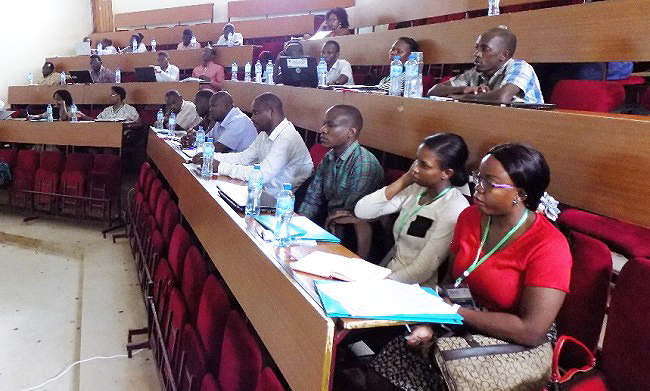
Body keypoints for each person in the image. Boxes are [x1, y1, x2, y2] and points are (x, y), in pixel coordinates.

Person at [369, 143, 571, 390]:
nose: (478, 188)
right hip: (463, 315)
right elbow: (453, 284)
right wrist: (431, 322)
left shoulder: (549, 245)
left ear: (520, 194)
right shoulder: (470, 217)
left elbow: (531, 331)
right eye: (478, 178)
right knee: (385, 370)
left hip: (516, 339)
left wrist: (452, 313)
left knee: (445, 373)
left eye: (490, 183)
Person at [355, 133, 470, 287]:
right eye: (416, 160)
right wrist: (405, 180)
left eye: (424, 165)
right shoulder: (416, 188)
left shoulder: (454, 207)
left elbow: (422, 270)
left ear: (446, 173)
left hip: (415, 287)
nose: (415, 168)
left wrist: (380, 283)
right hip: (388, 274)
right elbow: (362, 211)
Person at [205, 93, 313, 197]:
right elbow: (244, 158)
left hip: (281, 203)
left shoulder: (287, 137)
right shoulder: (264, 134)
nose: (252, 118)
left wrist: (219, 166)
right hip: (262, 193)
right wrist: (209, 156)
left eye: (256, 113)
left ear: (272, 112)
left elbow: (261, 175)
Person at [298, 105, 383, 225]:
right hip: (331, 223)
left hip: (353, 232)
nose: (323, 130)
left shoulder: (364, 164)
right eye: (324, 124)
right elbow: (312, 199)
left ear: (351, 132)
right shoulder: (329, 157)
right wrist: (299, 224)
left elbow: (351, 214)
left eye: (331, 125)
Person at [427, 27, 544, 104]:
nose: (476, 54)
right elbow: (433, 91)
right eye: (477, 47)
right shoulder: (475, 72)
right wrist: (463, 89)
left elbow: (502, 97)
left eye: (485, 49)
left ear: (503, 55)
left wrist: (463, 98)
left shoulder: (520, 67)